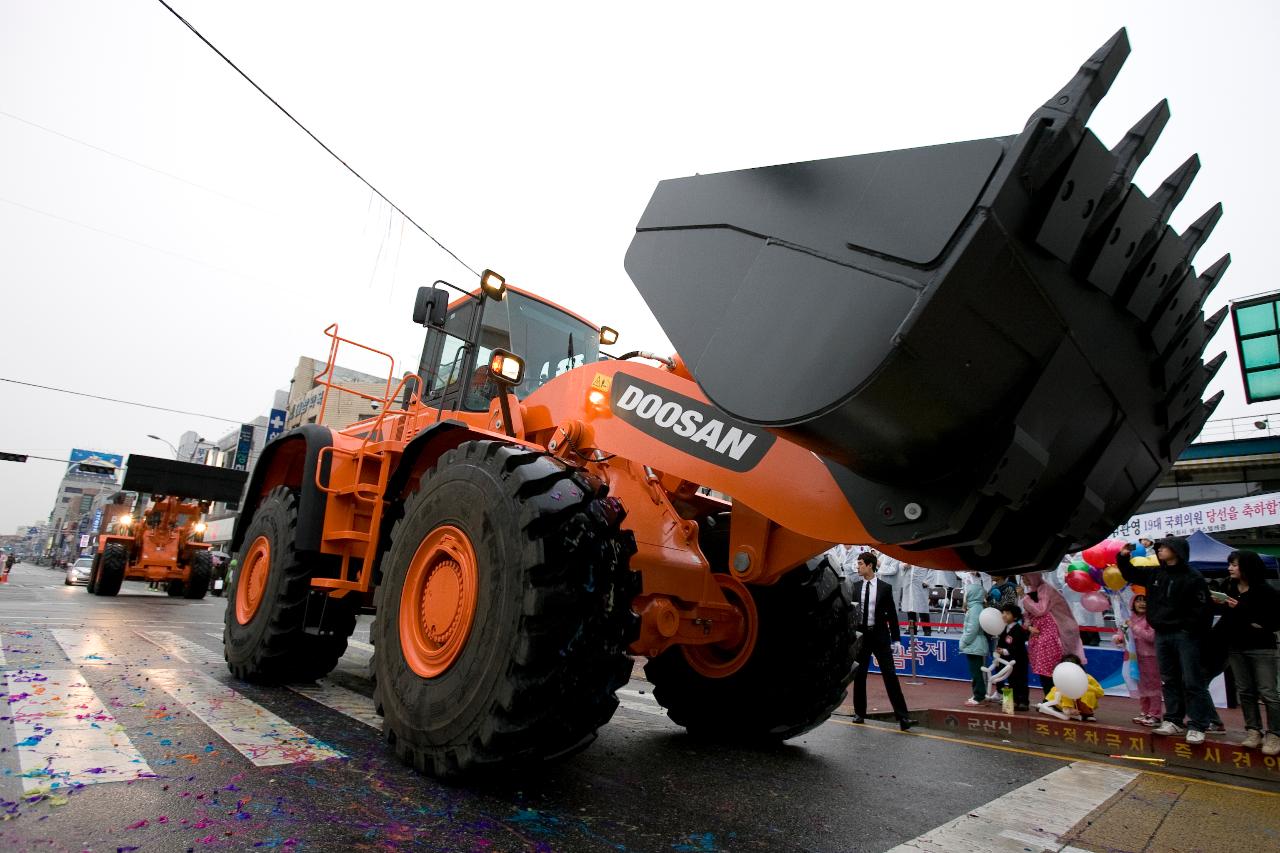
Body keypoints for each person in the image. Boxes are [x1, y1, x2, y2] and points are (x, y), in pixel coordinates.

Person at [1118, 537, 1215, 744]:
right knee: (1168, 679)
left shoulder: (1192, 577)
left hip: (1185, 635)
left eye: (1164, 547)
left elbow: (1203, 609)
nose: (1160, 550)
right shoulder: (1156, 572)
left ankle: (1198, 724)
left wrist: (1189, 629)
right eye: (1159, 547)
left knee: (1192, 681)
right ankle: (1173, 720)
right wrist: (1123, 558)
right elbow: (1131, 574)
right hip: (1161, 633)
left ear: (1177, 551)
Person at [1215, 550, 1280, 754]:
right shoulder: (1229, 587)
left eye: (1234, 564)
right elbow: (1230, 619)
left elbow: (1271, 622)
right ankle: (1253, 730)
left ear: (1247, 566)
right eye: (1230, 564)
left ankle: (1275, 734)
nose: (1230, 568)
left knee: (1268, 692)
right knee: (1245, 691)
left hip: (1261, 648)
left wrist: (1241, 610)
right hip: (1236, 646)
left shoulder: (1265, 591)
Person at [849, 551, 916, 731]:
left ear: (870, 565)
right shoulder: (854, 587)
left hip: (880, 635)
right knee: (860, 675)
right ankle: (859, 713)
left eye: (861, 563)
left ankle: (903, 717)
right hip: (862, 636)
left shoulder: (884, 588)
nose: (858, 567)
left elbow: (892, 615)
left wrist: (896, 639)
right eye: (858, 563)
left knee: (890, 675)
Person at [1114, 588, 1162, 727]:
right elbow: (1122, 636)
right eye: (1138, 600)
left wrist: (1133, 627)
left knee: (1153, 686)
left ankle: (1155, 714)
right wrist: (1118, 639)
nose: (1142, 603)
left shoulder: (1152, 618)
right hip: (1134, 659)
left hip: (1150, 658)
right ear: (1133, 603)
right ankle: (1145, 711)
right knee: (1140, 685)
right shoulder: (1129, 618)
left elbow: (1151, 637)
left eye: (1145, 600)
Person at [1023, 573, 1065, 697]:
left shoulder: (1045, 590)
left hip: (1048, 638)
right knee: (1041, 670)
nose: (1024, 580)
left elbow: (1040, 610)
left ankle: (1053, 698)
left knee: (1049, 670)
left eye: (1026, 577)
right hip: (1037, 638)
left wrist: (1025, 599)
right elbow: (1026, 617)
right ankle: (1048, 697)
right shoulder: (1030, 593)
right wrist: (1029, 626)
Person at [1042, 654, 1104, 721]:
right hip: (1063, 705)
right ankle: (1062, 708)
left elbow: (1100, 692)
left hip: (1081, 705)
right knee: (1061, 689)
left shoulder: (1087, 678)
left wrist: (1085, 686)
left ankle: (1086, 713)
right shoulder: (1061, 678)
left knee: (1089, 694)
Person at [959, 574, 990, 706]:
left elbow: (972, 628)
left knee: (976, 672)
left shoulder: (975, 609)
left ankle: (979, 696)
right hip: (975, 645)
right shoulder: (976, 607)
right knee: (976, 671)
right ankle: (978, 694)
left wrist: (963, 641)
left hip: (974, 645)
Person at [997, 603, 1030, 711]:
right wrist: (998, 650)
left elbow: (1017, 646)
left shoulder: (1019, 629)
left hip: (1019, 660)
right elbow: (1001, 642)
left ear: (1015, 616)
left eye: (1007, 613)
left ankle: (1024, 702)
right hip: (1008, 661)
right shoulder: (1004, 629)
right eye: (1003, 613)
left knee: (1021, 681)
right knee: (1011, 681)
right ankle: (1013, 701)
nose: (1004, 615)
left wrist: (1005, 651)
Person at [900, 563, 933, 636]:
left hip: (921, 583)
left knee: (923, 607)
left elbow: (932, 568)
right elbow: (900, 565)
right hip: (908, 582)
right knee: (910, 607)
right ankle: (912, 629)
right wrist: (904, 566)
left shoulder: (925, 554)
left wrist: (927, 581)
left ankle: (927, 629)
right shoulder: (907, 555)